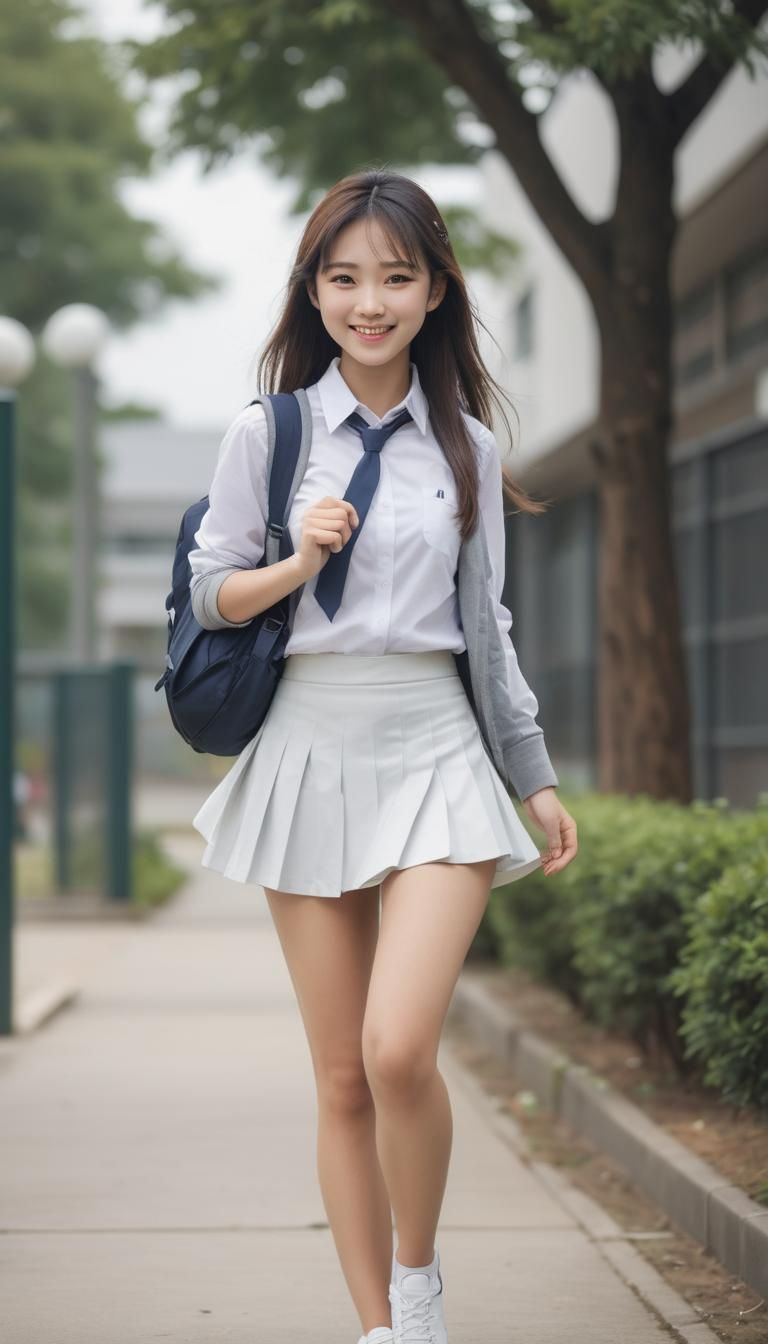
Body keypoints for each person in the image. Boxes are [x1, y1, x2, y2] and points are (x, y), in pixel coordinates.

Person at [188, 169, 577, 1344]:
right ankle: (381, 1330)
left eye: (395, 278)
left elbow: (489, 627)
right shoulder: (270, 431)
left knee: (400, 1045)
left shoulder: (464, 442)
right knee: (344, 1077)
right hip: (308, 744)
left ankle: (420, 1280)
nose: (370, 301)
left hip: (436, 749)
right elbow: (210, 596)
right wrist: (298, 562)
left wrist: (535, 772)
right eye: (345, 277)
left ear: (434, 290)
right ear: (313, 291)